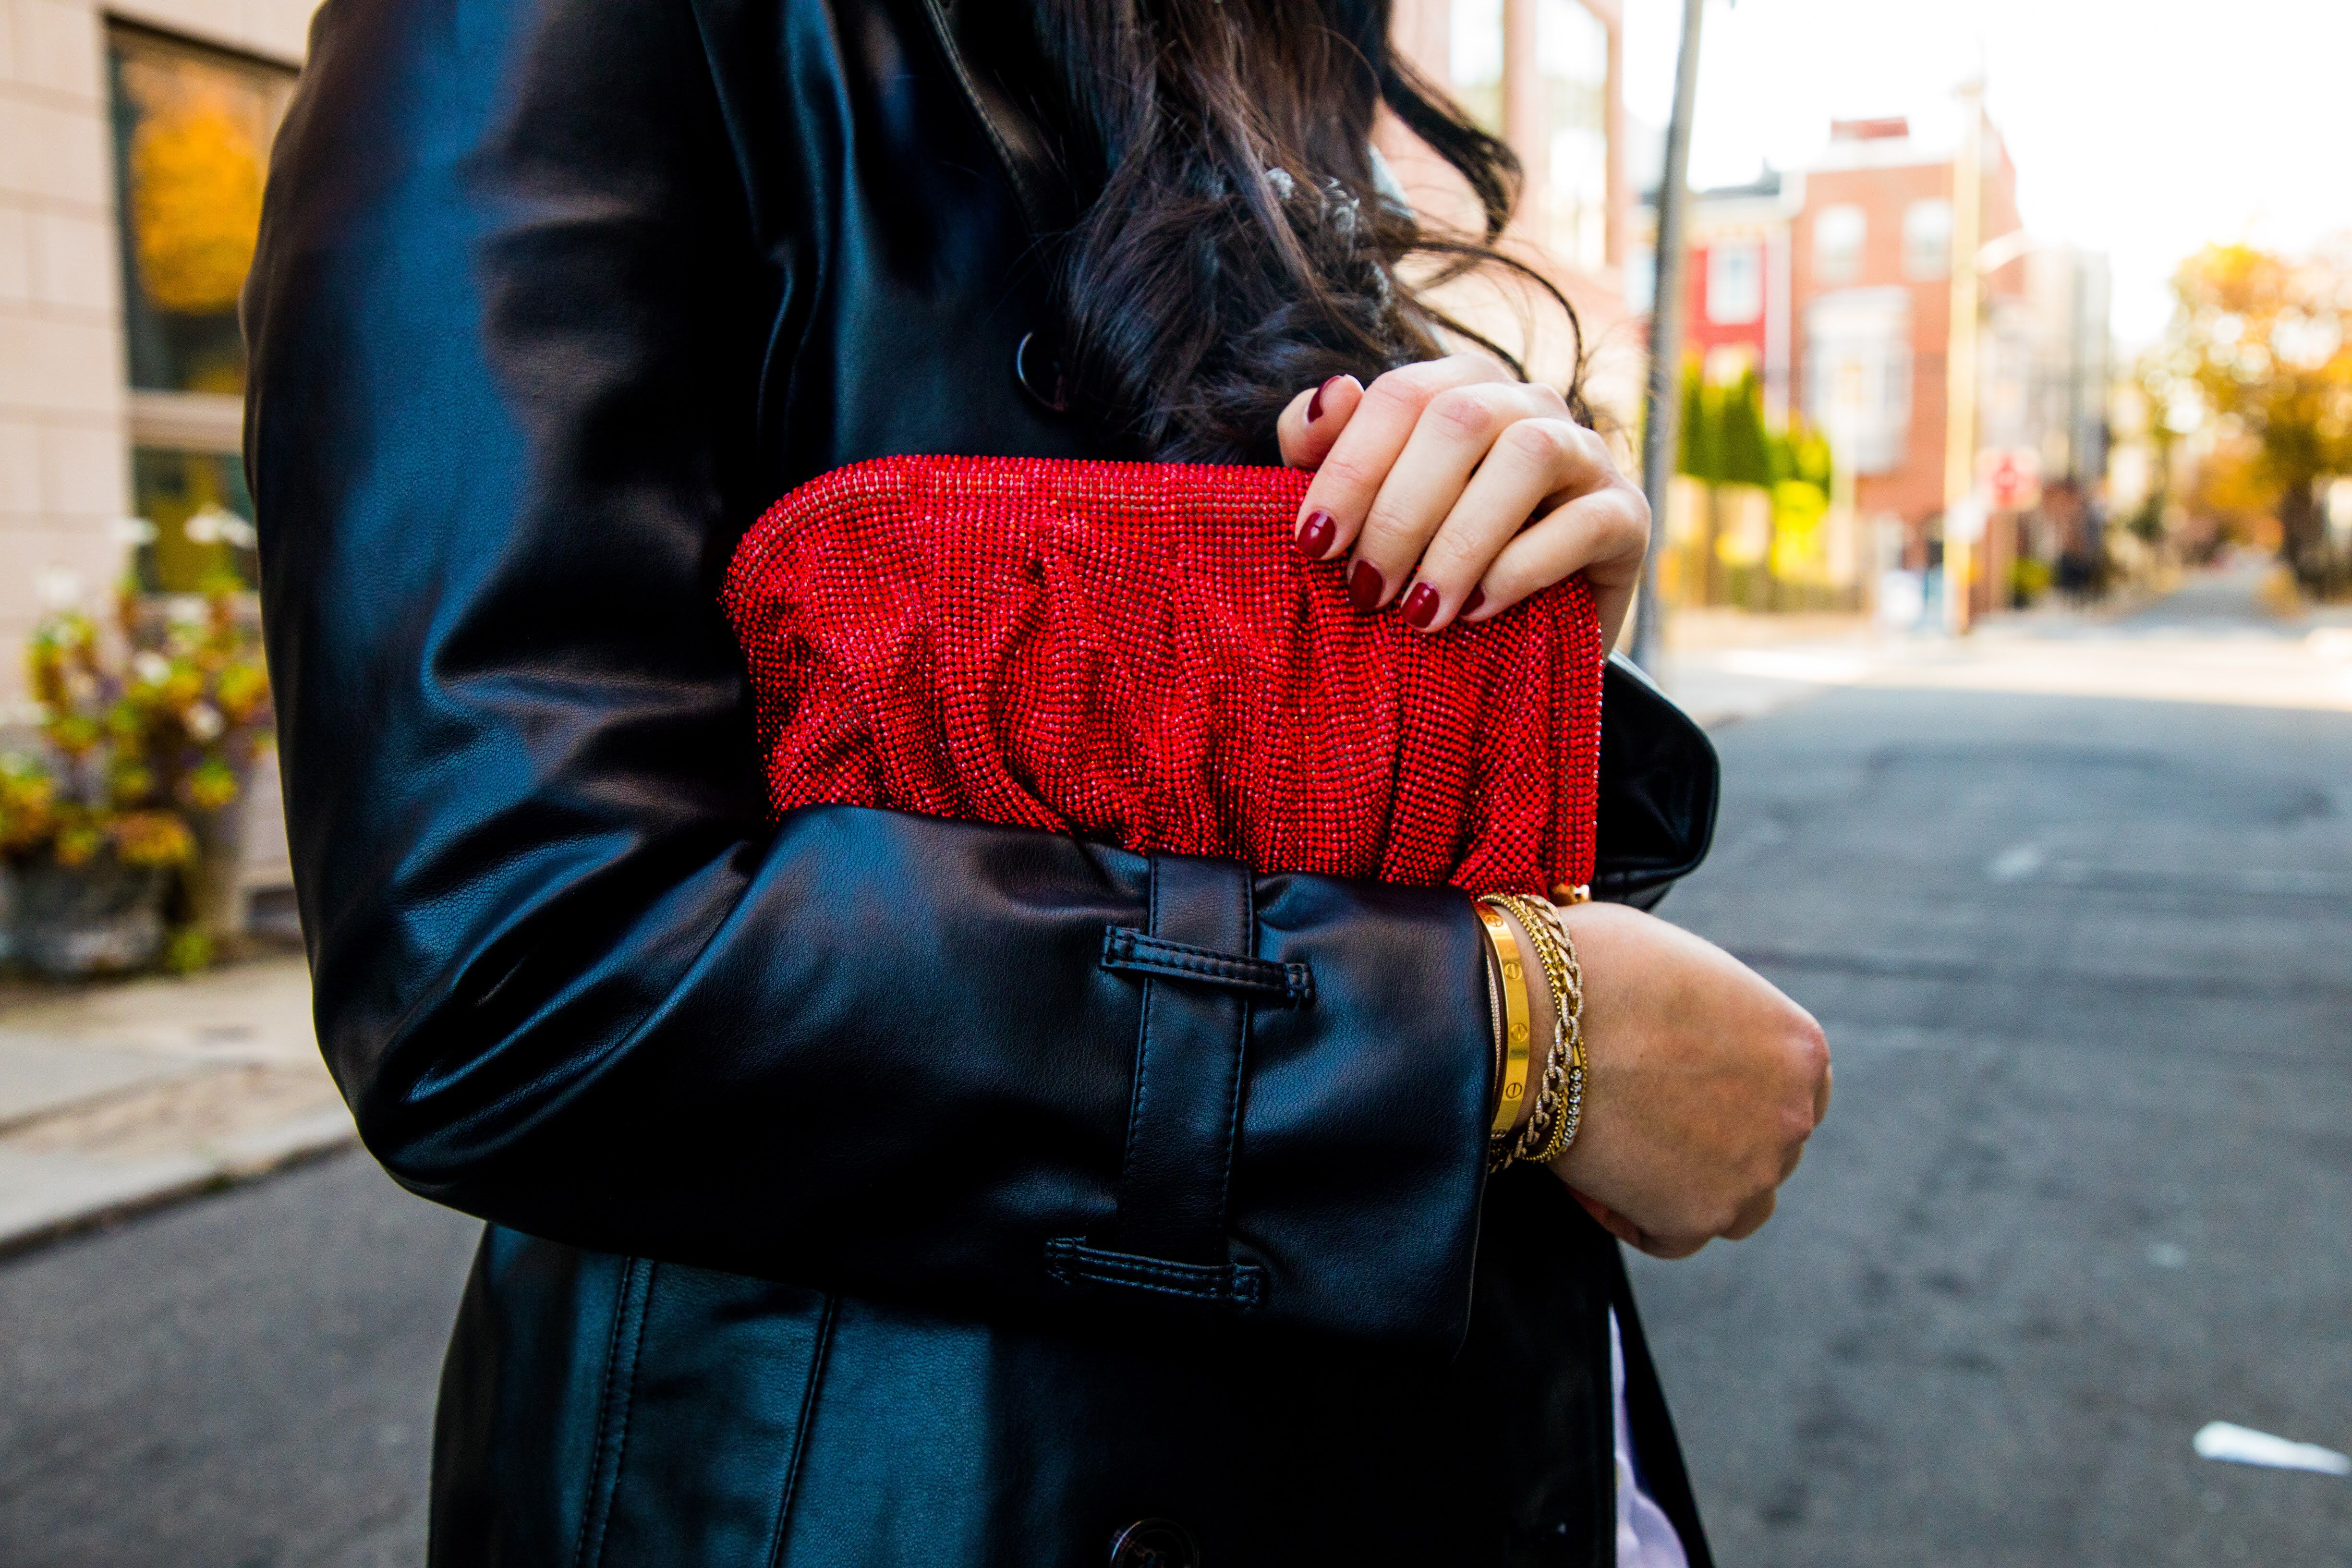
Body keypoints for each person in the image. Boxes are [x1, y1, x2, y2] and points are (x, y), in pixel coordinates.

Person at [243, 0, 1829, 1562]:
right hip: (910, 1499)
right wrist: (1505, 1036)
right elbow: (511, 969)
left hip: (1430, 1445)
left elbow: (1226, 785)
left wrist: (1505, 635)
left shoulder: (1279, 44)